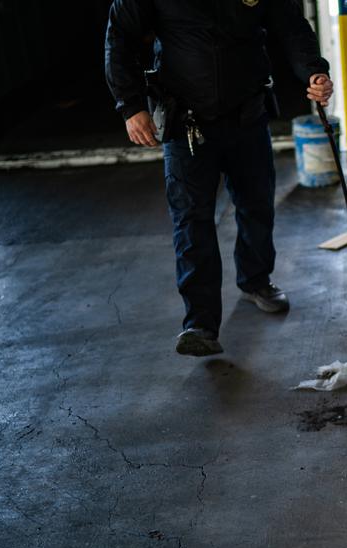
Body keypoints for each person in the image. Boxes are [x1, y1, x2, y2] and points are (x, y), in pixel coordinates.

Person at [105, 0, 333, 357]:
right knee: (191, 219)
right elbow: (119, 37)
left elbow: (291, 26)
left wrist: (313, 72)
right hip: (185, 122)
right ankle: (199, 323)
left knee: (256, 204)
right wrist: (131, 105)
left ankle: (256, 280)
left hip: (248, 113)